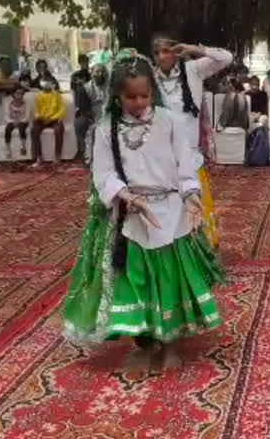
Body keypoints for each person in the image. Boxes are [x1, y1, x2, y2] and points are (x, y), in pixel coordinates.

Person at [62, 50, 223, 370]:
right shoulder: (105, 129)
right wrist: (126, 197)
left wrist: (192, 198)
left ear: (154, 92)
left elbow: (186, 165)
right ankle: (144, 343)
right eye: (130, 96)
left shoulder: (171, 122)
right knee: (136, 281)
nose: (138, 102)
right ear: (117, 95)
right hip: (130, 216)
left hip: (171, 214)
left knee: (169, 280)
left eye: (144, 95)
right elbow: (103, 174)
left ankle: (171, 343)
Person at [152, 34, 233, 249]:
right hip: (162, 155)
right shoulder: (151, 80)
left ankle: (200, 249)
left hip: (190, 153)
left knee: (196, 203)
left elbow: (226, 57)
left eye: (166, 50)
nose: (162, 56)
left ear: (175, 51)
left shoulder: (193, 70)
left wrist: (193, 49)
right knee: (168, 207)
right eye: (157, 52)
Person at [75, 64, 110, 163]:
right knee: (80, 123)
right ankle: (88, 155)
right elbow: (84, 108)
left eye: (102, 71)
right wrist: (93, 118)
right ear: (92, 73)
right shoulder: (85, 88)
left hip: (108, 113)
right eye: (97, 71)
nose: (100, 74)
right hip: (92, 113)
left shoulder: (110, 87)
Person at [31, 77, 65, 167]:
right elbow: (36, 111)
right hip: (42, 119)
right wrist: (40, 117)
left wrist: (52, 118)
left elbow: (61, 110)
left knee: (59, 129)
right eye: (44, 81)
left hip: (54, 119)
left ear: (52, 83)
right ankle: (38, 157)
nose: (46, 84)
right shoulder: (38, 95)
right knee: (34, 130)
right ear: (41, 83)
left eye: (48, 82)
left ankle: (57, 157)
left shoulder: (57, 95)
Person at [3, 85, 31, 159]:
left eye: (22, 94)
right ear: (13, 94)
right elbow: (6, 116)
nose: (20, 95)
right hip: (12, 122)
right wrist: (12, 122)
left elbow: (27, 116)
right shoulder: (8, 103)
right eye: (18, 93)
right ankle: (8, 149)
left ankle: (23, 147)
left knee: (21, 128)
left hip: (23, 121)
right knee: (7, 129)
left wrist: (20, 121)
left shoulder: (26, 103)